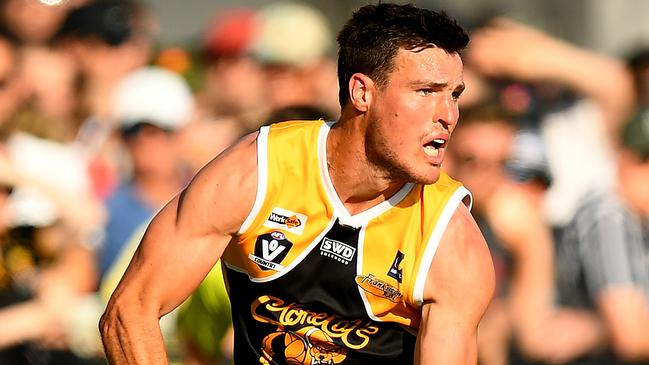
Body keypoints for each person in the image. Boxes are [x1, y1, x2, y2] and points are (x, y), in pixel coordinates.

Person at [100, 3, 495, 364]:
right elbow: (130, 311)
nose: (448, 114)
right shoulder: (258, 172)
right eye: (426, 92)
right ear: (361, 92)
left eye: (455, 95)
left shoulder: (451, 242)